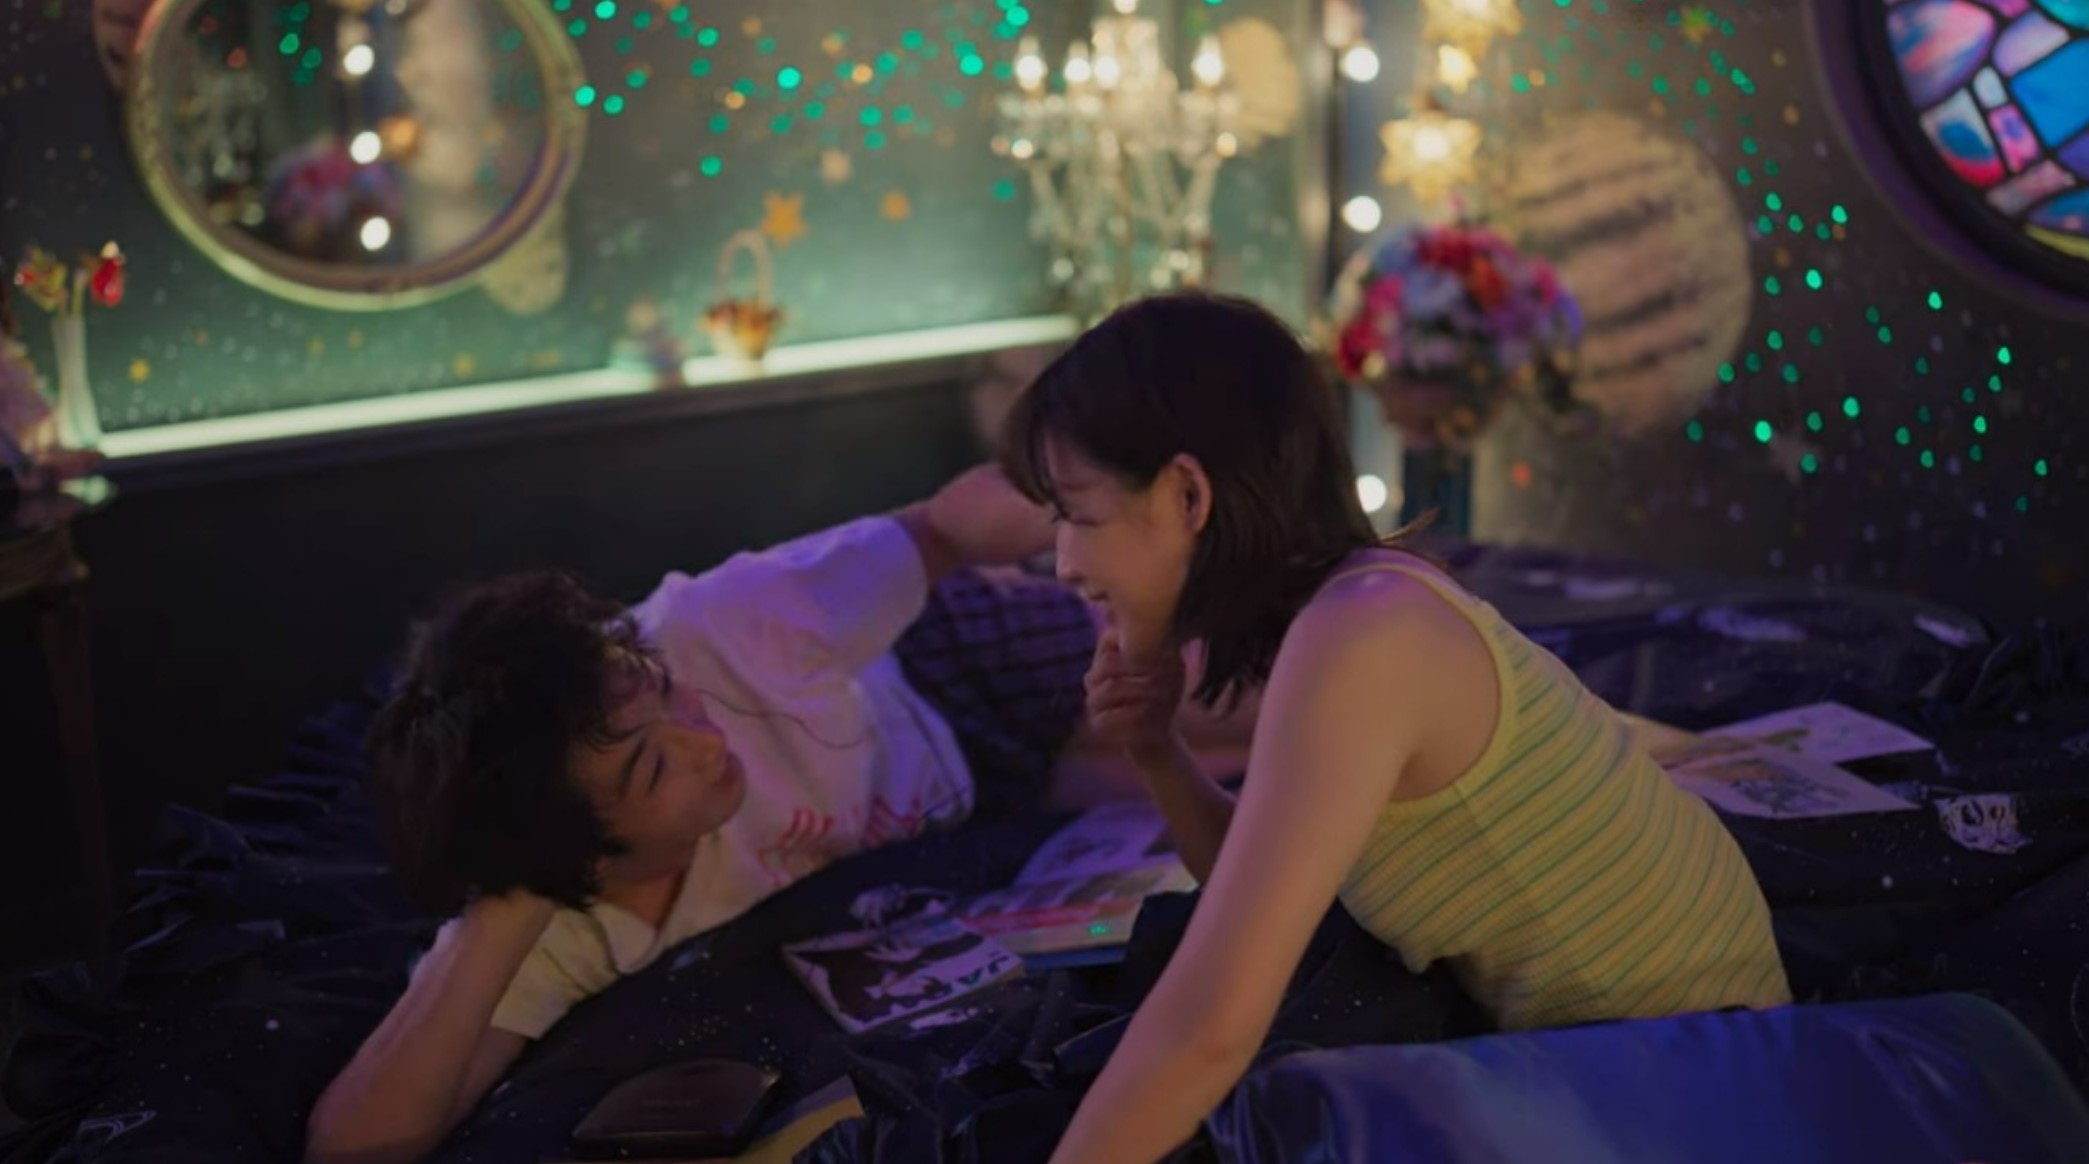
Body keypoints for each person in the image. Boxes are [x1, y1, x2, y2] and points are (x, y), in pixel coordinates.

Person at [1000, 293, 1791, 1164]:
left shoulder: (1362, 638)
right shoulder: (1356, 607)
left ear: (1189, 493)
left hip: (1688, 1084)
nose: (1063, 564)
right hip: (1644, 1054)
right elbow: (1253, 888)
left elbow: (1207, 1032)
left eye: (1076, 516)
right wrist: (1158, 751)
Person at [303, 465, 1252, 1164]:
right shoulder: (565, 915)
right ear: (579, 857)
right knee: (1218, 785)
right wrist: (505, 904)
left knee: (1231, 696)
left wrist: (1092, 528)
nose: (703, 739)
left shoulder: (718, 628)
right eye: (651, 767)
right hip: (978, 798)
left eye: (662, 693)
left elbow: (942, 527)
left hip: (944, 672)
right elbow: (356, 1147)